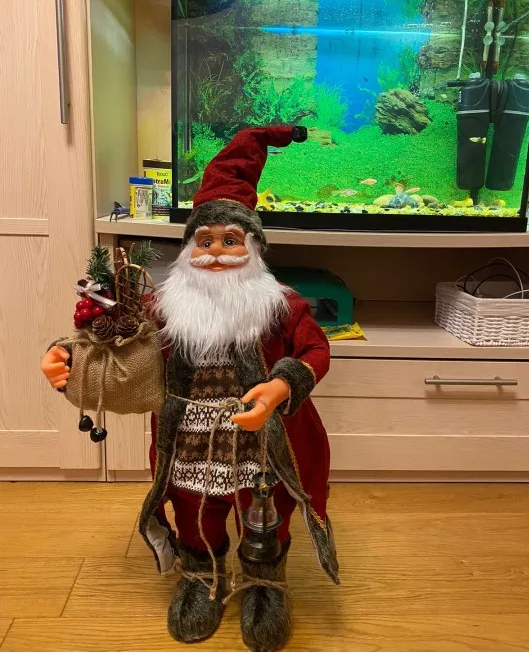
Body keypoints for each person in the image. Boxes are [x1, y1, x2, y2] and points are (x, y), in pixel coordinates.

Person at [41, 125, 339, 652]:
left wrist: (278, 387)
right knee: (192, 504)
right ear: (188, 249)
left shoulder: (281, 304)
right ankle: (201, 573)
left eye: (231, 241)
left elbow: (315, 350)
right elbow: (114, 333)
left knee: (265, 510)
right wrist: (67, 354)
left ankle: (265, 581)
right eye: (205, 242)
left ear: (254, 248)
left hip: (262, 441)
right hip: (188, 438)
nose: (217, 253)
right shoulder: (163, 306)